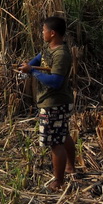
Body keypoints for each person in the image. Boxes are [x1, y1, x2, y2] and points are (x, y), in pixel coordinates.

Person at [19, 16, 76, 191]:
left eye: (43, 30)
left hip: (55, 103)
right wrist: (28, 66)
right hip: (52, 102)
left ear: (52, 33)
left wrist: (32, 72)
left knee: (55, 142)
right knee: (63, 134)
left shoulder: (61, 54)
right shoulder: (48, 48)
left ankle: (58, 181)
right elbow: (37, 60)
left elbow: (56, 81)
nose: (42, 33)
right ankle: (71, 168)